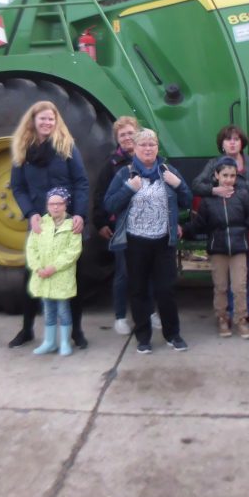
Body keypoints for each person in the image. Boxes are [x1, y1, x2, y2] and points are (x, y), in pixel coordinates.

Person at [8, 101, 90, 349]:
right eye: (42, 118)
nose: (46, 123)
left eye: (51, 119)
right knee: (33, 277)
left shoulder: (66, 146)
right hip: (39, 224)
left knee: (70, 277)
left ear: (56, 121)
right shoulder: (23, 150)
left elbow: (81, 182)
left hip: (66, 222)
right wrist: (30, 212)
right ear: (33, 121)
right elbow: (18, 187)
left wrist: (79, 214)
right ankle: (27, 330)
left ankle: (76, 331)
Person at [104, 129, 193, 354]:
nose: (148, 148)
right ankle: (143, 337)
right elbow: (109, 204)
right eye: (143, 144)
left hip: (163, 241)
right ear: (135, 148)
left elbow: (187, 200)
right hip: (135, 242)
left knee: (166, 290)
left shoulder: (168, 171)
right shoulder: (125, 174)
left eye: (152, 144)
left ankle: (173, 334)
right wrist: (128, 189)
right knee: (139, 291)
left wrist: (178, 184)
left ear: (157, 147)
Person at [191, 125, 249, 325]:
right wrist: (214, 190)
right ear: (222, 144)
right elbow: (196, 185)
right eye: (228, 139)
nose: (232, 142)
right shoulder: (214, 164)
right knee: (228, 276)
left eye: (236, 139)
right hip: (226, 227)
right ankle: (229, 312)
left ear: (242, 142)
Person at [92, 116, 162, 335]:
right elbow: (101, 195)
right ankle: (120, 317)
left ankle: (150, 312)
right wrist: (101, 222)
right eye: (122, 135)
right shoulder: (112, 165)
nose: (126, 137)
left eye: (130, 133)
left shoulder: (151, 161)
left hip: (148, 226)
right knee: (123, 273)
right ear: (117, 139)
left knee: (148, 271)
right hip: (122, 227)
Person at [187, 156, 249, 339]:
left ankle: (241, 320)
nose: (228, 179)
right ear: (216, 175)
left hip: (239, 248)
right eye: (225, 175)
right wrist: (183, 230)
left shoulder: (243, 195)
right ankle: (222, 318)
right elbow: (199, 224)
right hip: (218, 249)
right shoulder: (208, 200)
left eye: (232, 176)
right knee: (220, 287)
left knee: (240, 287)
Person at [26, 187, 83, 356]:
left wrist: (54, 267)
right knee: (48, 310)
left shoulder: (72, 225)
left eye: (59, 203)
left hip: (61, 277)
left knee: (63, 311)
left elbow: (72, 252)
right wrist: (38, 268)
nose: (55, 207)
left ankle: (64, 342)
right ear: (47, 206)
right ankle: (49, 342)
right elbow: (31, 248)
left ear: (66, 205)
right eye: (52, 204)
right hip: (43, 276)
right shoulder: (41, 223)